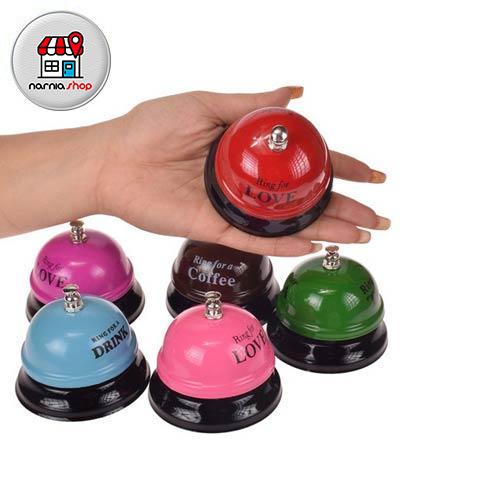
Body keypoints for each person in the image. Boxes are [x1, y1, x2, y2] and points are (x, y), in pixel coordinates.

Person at [0, 87, 390, 256]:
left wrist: (106, 158)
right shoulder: (242, 145)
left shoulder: (306, 154)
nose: (277, 140)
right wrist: (108, 159)